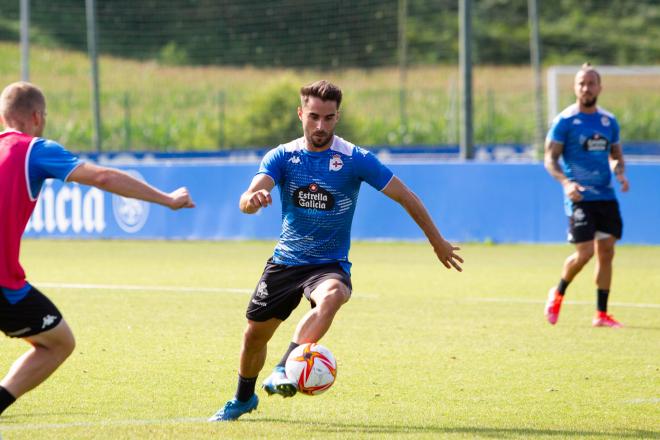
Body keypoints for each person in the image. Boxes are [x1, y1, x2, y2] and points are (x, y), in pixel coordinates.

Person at [209, 80, 463, 422]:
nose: (320, 126)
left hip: (329, 264)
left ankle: (284, 368)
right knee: (254, 336)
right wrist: (251, 201)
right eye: (313, 116)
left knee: (333, 296)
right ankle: (242, 399)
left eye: (328, 118)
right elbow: (249, 196)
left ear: (337, 117)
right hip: (286, 262)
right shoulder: (283, 156)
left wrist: (437, 241)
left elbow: (406, 196)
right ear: (301, 114)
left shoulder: (355, 158)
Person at [0, 81, 195, 416]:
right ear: (35, 116)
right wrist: (167, 199)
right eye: (44, 115)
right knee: (59, 343)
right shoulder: (34, 149)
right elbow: (102, 177)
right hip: (4, 283)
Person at [543, 63, 629, 328]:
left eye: (591, 83)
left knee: (606, 251)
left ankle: (601, 314)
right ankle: (558, 292)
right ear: (575, 87)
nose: (586, 88)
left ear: (599, 87)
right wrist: (566, 183)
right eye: (581, 83)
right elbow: (550, 159)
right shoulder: (565, 121)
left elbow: (615, 156)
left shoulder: (608, 121)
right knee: (584, 253)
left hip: (606, 196)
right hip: (579, 197)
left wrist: (620, 172)